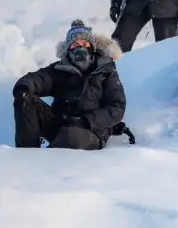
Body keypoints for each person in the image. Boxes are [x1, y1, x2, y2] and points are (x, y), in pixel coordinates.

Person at [12, 19, 126, 150]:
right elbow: (39, 78)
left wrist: (86, 121)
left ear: (92, 47)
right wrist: (23, 87)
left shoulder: (106, 71)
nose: (80, 47)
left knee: (70, 136)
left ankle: (44, 163)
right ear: (68, 49)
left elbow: (117, 107)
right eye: (74, 44)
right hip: (61, 123)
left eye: (84, 43)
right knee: (25, 99)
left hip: (91, 132)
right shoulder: (59, 69)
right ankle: (27, 154)